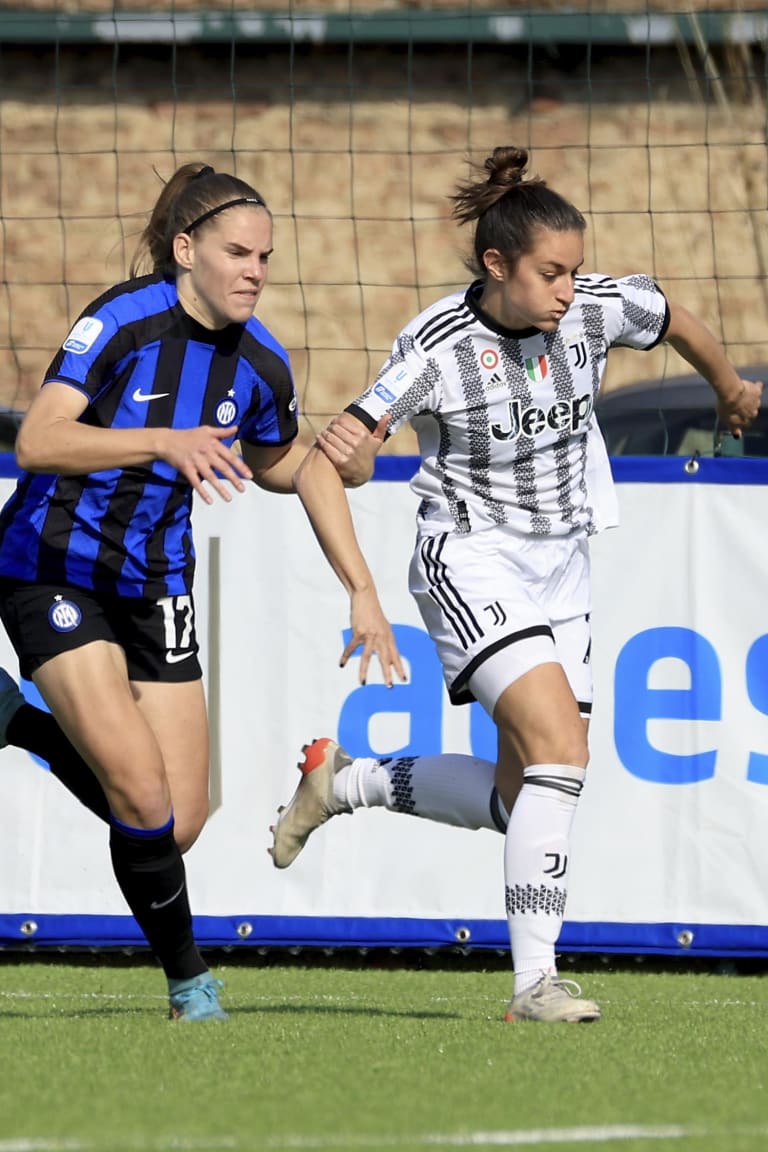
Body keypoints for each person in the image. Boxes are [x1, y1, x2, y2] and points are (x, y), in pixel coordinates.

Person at [269, 145, 763, 1023]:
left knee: (516, 797)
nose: (571, 288)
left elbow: (675, 315)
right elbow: (322, 467)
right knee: (561, 756)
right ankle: (535, 983)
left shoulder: (596, 309)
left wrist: (729, 390)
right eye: (551, 273)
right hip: (469, 557)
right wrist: (363, 588)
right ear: (499, 267)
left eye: (574, 269)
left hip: (562, 568)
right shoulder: (434, 348)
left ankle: (340, 784)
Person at [0, 160, 402, 1022]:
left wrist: (360, 580)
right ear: (186, 250)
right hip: (54, 567)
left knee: (176, 822)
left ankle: (15, 721)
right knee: (139, 798)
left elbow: (287, 464)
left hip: (157, 584)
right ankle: (190, 981)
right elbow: (38, 441)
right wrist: (162, 441)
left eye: (265, 255)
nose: (255, 269)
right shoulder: (120, 321)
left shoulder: (260, 362)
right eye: (237, 252)